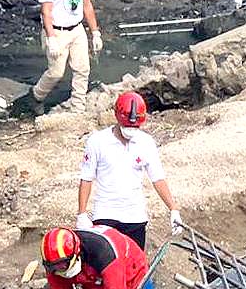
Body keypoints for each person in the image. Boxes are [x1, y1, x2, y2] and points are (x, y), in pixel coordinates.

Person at [76, 91, 182, 250]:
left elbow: (157, 178)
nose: (130, 130)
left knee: (134, 261)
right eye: (126, 126)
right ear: (117, 116)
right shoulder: (97, 142)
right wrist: (82, 213)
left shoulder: (146, 143)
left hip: (135, 216)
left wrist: (173, 209)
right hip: (106, 214)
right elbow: (86, 178)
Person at [26, 0, 103, 115]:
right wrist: (51, 38)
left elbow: (87, 5)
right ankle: (36, 95)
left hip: (76, 29)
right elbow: (46, 11)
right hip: (57, 30)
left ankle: (78, 109)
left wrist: (95, 32)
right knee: (56, 72)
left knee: (82, 69)